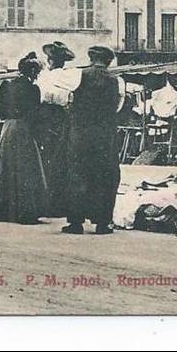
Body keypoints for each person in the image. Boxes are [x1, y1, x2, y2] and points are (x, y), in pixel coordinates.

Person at [0, 53, 48, 224]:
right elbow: (35, 114)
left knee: (5, 168)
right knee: (25, 169)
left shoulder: (5, 86)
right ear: (32, 72)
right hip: (24, 129)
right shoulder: (33, 89)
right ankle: (25, 211)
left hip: (8, 128)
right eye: (36, 72)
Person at [63, 45, 122, 236]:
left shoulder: (79, 75)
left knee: (78, 175)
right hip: (105, 136)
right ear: (108, 61)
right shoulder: (114, 81)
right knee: (105, 177)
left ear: (91, 58)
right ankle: (103, 223)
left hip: (81, 135)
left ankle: (76, 222)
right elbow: (117, 109)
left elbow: (69, 102)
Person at [35, 41, 78, 217]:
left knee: (46, 159)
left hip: (47, 117)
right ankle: (59, 203)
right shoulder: (69, 76)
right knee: (60, 159)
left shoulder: (48, 76)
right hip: (61, 117)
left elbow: (41, 96)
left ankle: (48, 202)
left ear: (53, 60)